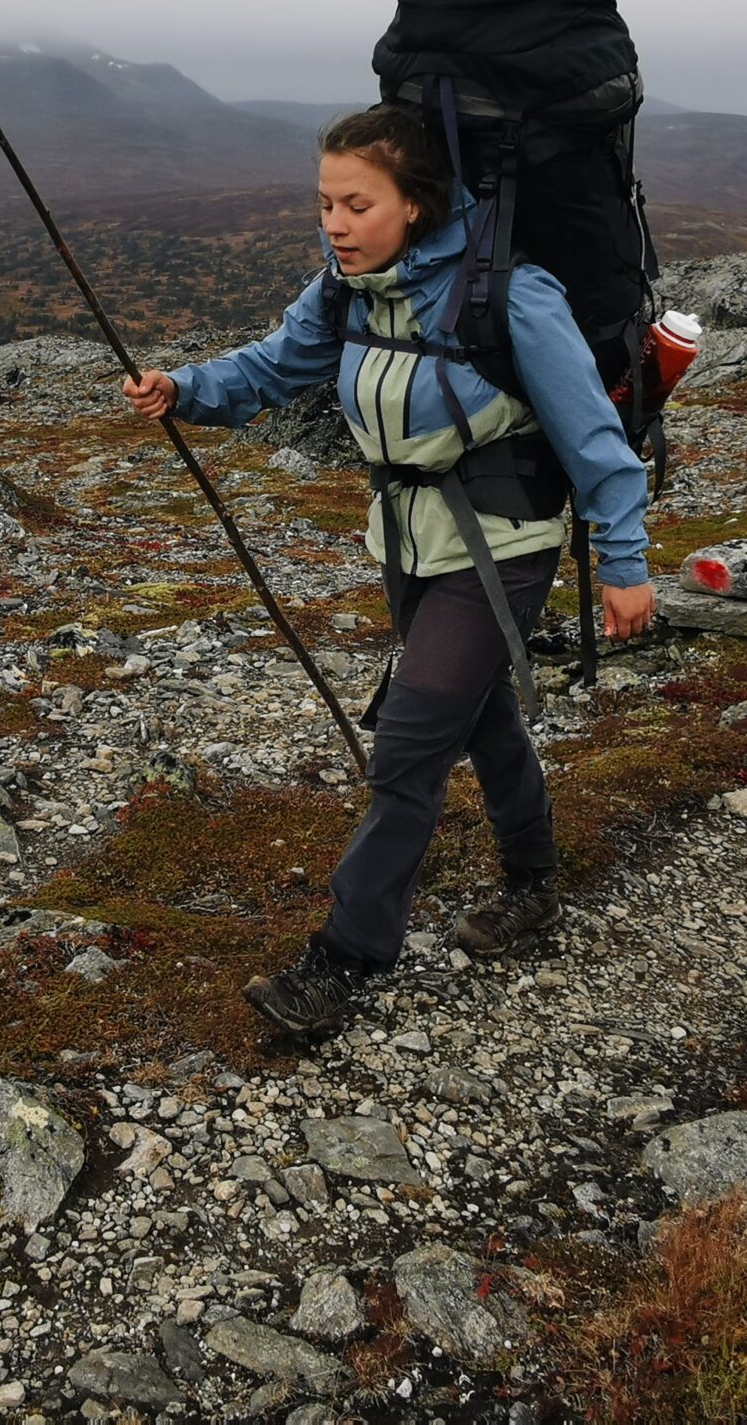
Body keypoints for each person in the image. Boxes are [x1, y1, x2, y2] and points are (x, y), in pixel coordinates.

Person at [121, 103, 653, 1038]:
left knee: (409, 744)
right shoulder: (344, 292)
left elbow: (592, 433)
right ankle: (534, 883)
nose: (333, 223)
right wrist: (184, 390)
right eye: (324, 202)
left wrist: (624, 560)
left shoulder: (510, 294)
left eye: (356, 204)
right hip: (408, 540)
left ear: (415, 202)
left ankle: (344, 960)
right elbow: (272, 368)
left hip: (502, 542)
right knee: (480, 717)